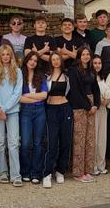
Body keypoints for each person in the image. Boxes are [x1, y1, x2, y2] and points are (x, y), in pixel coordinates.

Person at [67, 46, 100, 183]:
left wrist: (96, 105)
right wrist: (88, 106)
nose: (86, 56)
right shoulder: (73, 70)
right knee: (79, 139)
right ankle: (78, 172)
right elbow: (75, 91)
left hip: (91, 105)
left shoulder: (91, 70)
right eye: (83, 54)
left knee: (89, 139)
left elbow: (96, 89)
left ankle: (87, 170)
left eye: (88, 54)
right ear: (79, 56)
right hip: (80, 105)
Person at [0, 45, 23, 187]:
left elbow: (17, 93)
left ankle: (16, 174)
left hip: (12, 111)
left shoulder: (17, 71)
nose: (5, 57)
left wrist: (5, 108)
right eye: (3, 55)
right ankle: (2, 172)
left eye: (8, 54)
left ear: (11, 56)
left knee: (13, 143)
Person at [43, 52, 73, 188]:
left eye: (57, 59)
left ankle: (61, 170)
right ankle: (47, 173)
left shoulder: (67, 76)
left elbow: (70, 92)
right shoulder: (46, 77)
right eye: (53, 59)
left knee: (66, 141)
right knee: (51, 142)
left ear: (61, 61)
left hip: (65, 108)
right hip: (51, 109)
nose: (55, 61)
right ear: (50, 61)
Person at [19, 52, 48, 185]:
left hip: (40, 111)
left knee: (37, 143)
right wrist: (33, 97)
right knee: (25, 143)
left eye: (35, 61)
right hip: (25, 111)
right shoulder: (20, 75)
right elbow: (18, 97)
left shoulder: (40, 76)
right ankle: (25, 171)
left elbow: (44, 95)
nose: (32, 62)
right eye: (30, 59)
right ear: (26, 60)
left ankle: (36, 173)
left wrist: (27, 96)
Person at [92, 55, 109, 175]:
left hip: (103, 109)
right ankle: (92, 165)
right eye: (95, 63)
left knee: (102, 138)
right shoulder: (89, 77)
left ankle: (101, 164)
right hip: (93, 109)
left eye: (99, 63)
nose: (97, 65)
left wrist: (106, 101)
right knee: (94, 138)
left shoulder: (103, 78)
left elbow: (108, 93)